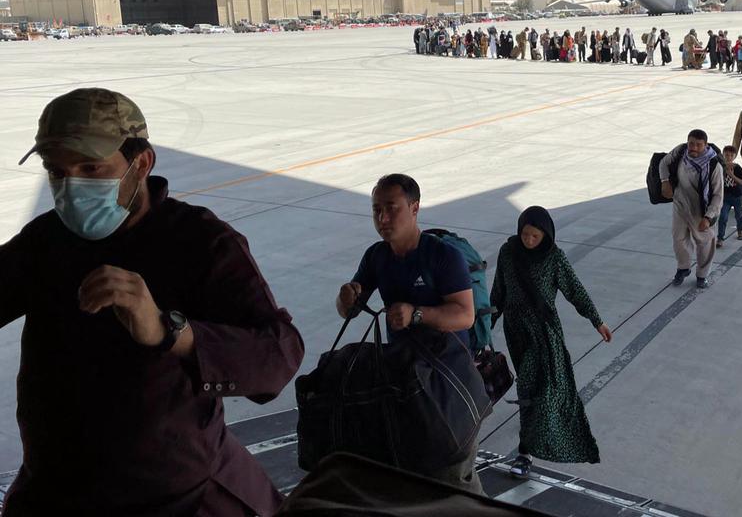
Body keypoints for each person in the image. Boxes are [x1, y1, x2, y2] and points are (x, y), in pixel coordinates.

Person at [1, 88, 305, 516]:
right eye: (56, 172)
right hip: (55, 493)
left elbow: (278, 357)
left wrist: (170, 332)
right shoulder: (47, 240)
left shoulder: (199, 242)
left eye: (91, 168)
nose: (70, 189)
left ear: (141, 163)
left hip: (173, 498)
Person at [336, 174, 482, 494]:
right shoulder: (377, 256)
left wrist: (416, 313)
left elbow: (465, 315)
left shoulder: (443, 256)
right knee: (409, 464)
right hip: (406, 379)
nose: (383, 218)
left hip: (448, 381)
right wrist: (346, 298)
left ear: (414, 208)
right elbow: (349, 309)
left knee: (453, 471)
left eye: (392, 208)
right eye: (376, 210)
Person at [489, 207, 612, 479]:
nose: (529, 240)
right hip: (516, 330)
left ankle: (524, 453)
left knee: (536, 385)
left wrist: (596, 321)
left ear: (546, 235)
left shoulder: (554, 258)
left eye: (535, 236)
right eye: (525, 234)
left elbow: (575, 290)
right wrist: (486, 324)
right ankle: (532, 425)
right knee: (529, 383)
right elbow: (498, 291)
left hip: (544, 332)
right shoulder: (508, 253)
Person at [659, 130, 723, 289]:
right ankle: (683, 267)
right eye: (691, 143)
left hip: (701, 210)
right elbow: (663, 163)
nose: (693, 147)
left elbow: (718, 196)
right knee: (678, 238)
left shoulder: (714, 165)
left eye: (698, 145)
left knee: (705, 243)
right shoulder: (680, 152)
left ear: (705, 145)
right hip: (680, 204)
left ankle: (702, 275)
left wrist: (708, 218)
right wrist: (665, 181)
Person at [716, 145, 742, 249]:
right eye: (726, 155)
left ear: (734, 156)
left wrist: (731, 174)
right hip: (725, 197)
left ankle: (740, 230)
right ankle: (720, 238)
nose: (728, 157)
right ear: (723, 155)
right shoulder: (720, 167)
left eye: (731, 155)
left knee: (739, 215)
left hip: (737, 196)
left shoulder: (737, 168)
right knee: (723, 217)